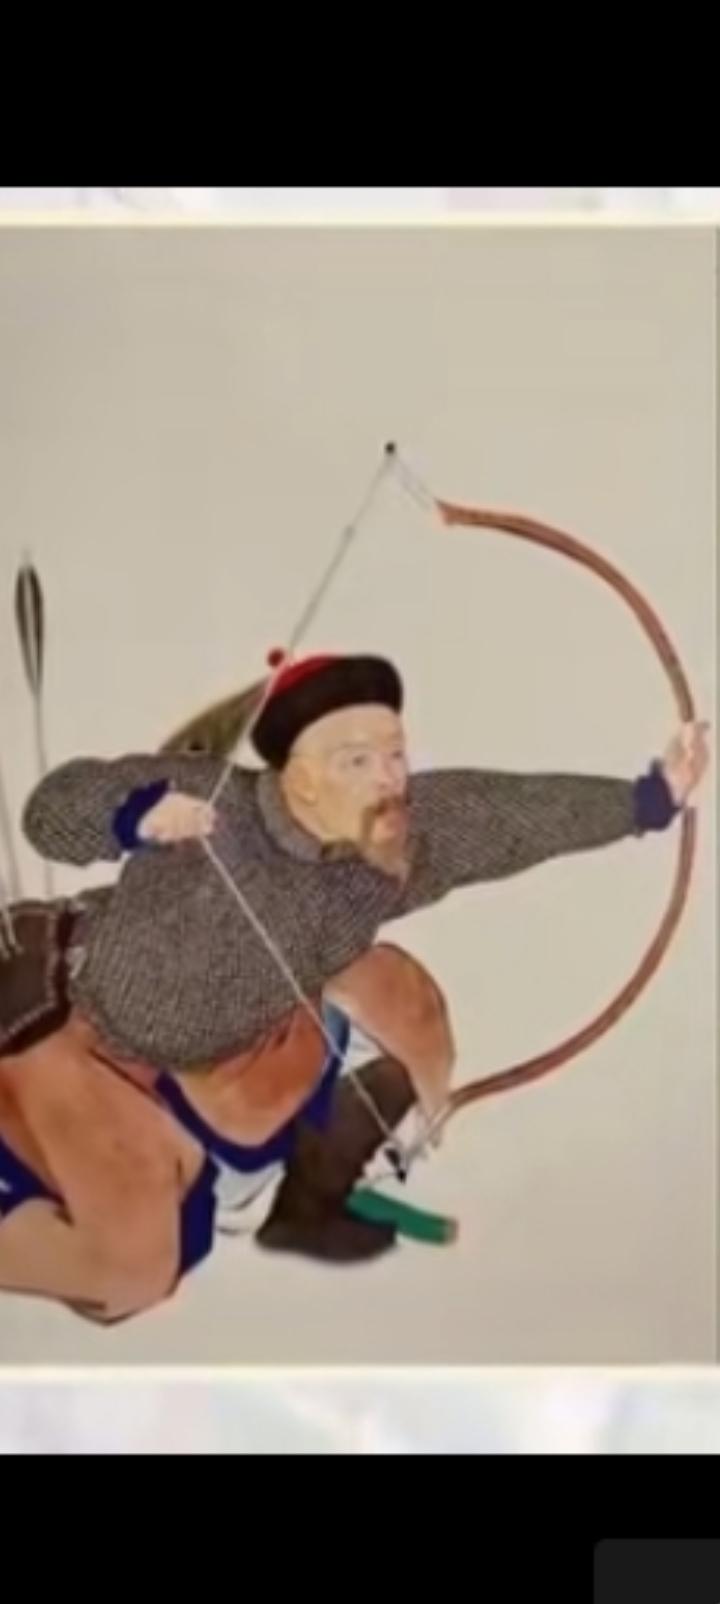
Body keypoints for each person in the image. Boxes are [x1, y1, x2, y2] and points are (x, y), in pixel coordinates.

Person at [0, 650, 709, 1320]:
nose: (389, 778)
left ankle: (309, 1205)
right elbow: (54, 811)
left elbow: (507, 815)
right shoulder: (209, 800)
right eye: (358, 761)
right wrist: (136, 816)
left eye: (396, 755)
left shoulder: (391, 840)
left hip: (235, 1042)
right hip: (83, 1033)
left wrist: (649, 800)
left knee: (403, 1007)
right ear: (303, 779)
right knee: (134, 1270)